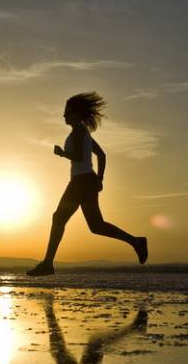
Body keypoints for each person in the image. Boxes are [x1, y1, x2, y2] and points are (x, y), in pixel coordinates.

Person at [27, 92, 148, 277]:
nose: (64, 116)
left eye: (67, 112)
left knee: (91, 224)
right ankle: (48, 264)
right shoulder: (84, 133)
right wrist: (99, 179)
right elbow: (101, 155)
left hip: (82, 182)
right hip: (81, 181)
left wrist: (62, 153)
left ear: (76, 113)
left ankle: (136, 242)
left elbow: (80, 157)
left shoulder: (78, 132)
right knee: (67, 219)